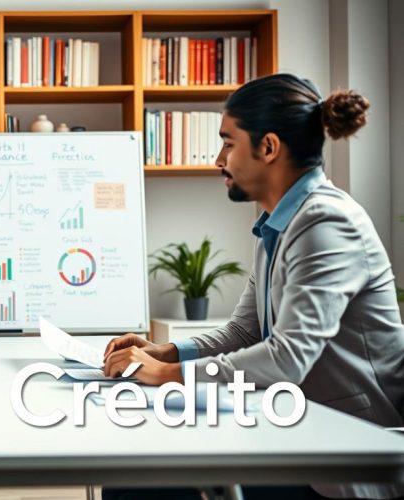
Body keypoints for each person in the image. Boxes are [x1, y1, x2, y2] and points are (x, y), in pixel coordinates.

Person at [103, 74, 404, 500]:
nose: (217, 159)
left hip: (344, 456)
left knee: (141, 486)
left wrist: (171, 375)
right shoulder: (278, 224)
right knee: (134, 475)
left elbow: (288, 358)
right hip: (294, 431)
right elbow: (244, 332)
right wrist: (165, 352)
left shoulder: (327, 223)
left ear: (268, 148)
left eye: (228, 142)